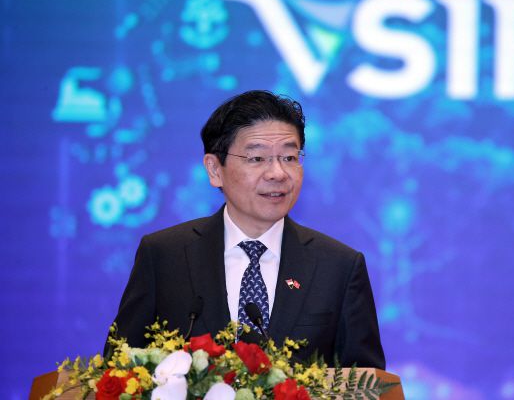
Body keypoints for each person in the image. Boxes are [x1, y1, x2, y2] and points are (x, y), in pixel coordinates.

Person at [108, 90, 385, 369]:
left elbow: (368, 382)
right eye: (257, 158)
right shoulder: (165, 256)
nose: (277, 173)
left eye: (289, 157)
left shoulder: (339, 267)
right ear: (215, 170)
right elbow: (118, 370)